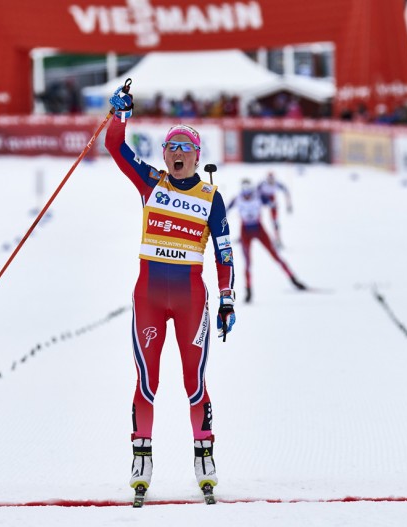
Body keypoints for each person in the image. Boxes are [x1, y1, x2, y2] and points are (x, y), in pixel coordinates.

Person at [106, 84, 236, 500]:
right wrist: (120, 113)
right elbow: (114, 146)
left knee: (194, 382)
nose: (177, 154)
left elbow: (224, 254)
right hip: (148, 299)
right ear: (164, 154)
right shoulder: (150, 183)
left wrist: (228, 299)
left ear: (197, 155)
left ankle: (204, 457)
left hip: (191, 302)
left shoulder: (211, 197)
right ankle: (141, 458)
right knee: (147, 381)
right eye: (170, 147)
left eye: (185, 148)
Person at [228, 179, 307, 303]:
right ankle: (248, 290)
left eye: (249, 190)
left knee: (275, 255)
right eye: (244, 191)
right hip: (245, 232)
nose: (247, 194)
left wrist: (274, 207)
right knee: (247, 263)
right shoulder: (237, 198)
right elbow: (224, 211)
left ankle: (294, 279)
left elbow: (272, 204)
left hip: (259, 229)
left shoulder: (259, 196)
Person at [257, 171, 292, 248]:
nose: (271, 181)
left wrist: (289, 204)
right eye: (269, 179)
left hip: (272, 198)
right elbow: (255, 192)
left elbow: (286, 191)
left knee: (274, 219)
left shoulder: (277, 183)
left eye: (272, 179)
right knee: (255, 217)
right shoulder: (263, 184)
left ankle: (277, 239)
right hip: (262, 198)